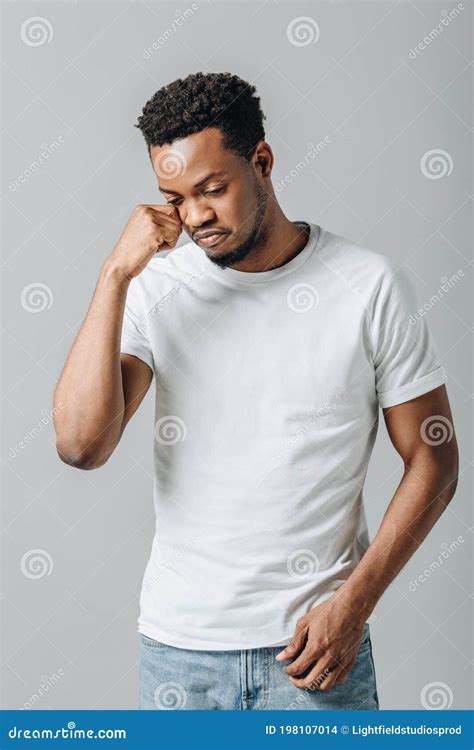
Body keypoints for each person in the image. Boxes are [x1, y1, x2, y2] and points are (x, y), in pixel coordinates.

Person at [53, 72, 459, 711]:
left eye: (213, 189)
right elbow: (81, 444)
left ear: (262, 162)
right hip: (180, 656)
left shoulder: (368, 285)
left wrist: (356, 603)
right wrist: (114, 276)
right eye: (175, 198)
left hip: (316, 652)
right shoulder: (156, 290)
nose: (195, 218)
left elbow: (434, 456)